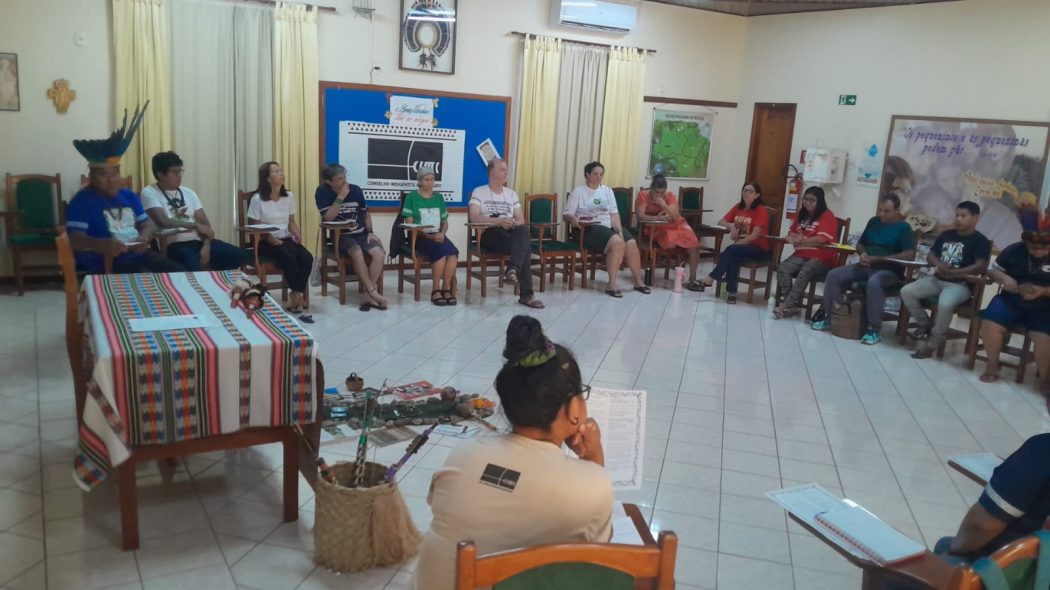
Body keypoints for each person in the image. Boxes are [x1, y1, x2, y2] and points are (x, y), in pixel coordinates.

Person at [414, 315, 612, 590]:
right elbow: (597, 556)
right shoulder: (590, 485)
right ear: (574, 410)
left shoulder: (463, 456)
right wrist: (593, 462)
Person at [67, 104, 185, 275]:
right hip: (102, 262)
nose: (111, 180)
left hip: (136, 255)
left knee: (177, 272)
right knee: (145, 279)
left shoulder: (128, 196)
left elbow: (148, 224)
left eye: (115, 173)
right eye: (103, 175)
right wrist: (105, 245)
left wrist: (144, 237)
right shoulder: (81, 200)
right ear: (92, 177)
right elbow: (75, 239)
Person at [933, 394, 1050, 565]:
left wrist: (953, 551)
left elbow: (981, 525)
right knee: (944, 543)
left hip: (1018, 569)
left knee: (938, 555)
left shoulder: (1041, 451)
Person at [812, 194, 916, 344]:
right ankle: (829, 317)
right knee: (834, 275)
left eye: (886, 211)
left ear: (897, 211)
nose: (882, 214)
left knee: (874, 282)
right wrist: (863, 253)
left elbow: (910, 254)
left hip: (889, 271)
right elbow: (861, 243)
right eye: (880, 210)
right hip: (865, 265)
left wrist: (879, 259)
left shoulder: (904, 228)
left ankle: (874, 329)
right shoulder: (874, 222)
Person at [900, 201, 991, 359]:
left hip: (960, 285)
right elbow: (931, 255)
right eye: (957, 215)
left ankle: (933, 344)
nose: (958, 219)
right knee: (907, 291)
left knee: (945, 303)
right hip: (937, 279)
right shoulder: (947, 235)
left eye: (963, 216)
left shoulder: (980, 241)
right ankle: (925, 324)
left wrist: (956, 272)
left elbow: (980, 266)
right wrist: (938, 264)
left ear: (975, 218)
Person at [140, 151, 247, 272]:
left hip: (199, 242)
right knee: (193, 263)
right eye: (175, 172)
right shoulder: (150, 192)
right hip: (174, 244)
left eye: (181, 171)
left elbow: (205, 224)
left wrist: (206, 246)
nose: (179, 175)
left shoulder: (188, 192)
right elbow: (162, 222)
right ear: (160, 174)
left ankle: (212, 278)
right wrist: (194, 225)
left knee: (240, 255)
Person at [564, 161, 649, 298]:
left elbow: (614, 214)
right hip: (588, 228)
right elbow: (566, 214)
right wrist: (573, 219)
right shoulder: (579, 191)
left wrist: (620, 232)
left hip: (607, 225)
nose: (599, 177)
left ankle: (638, 282)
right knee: (616, 243)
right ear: (587, 174)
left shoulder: (607, 191)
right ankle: (612, 285)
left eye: (601, 174)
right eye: (595, 174)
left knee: (630, 243)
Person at [977, 230, 1050, 390]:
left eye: (1043, 248)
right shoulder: (1014, 249)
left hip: (1044, 306)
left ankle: (1046, 379)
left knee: (1044, 338)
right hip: (1011, 299)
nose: (1038, 252)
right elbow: (992, 270)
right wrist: (1003, 278)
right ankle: (992, 366)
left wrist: (1043, 291)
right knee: (990, 323)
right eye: (1033, 248)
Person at [467, 159, 543, 308]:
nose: (506, 173)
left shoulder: (511, 194)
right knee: (525, 248)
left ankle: (513, 269)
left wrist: (512, 222)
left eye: (506, 169)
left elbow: (521, 219)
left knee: (523, 230)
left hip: (511, 232)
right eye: (502, 169)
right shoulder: (479, 191)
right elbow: (474, 217)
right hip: (490, 233)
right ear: (491, 172)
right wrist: (499, 222)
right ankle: (526, 295)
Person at [314, 163, 388, 310]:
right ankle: (373, 291)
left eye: (344, 177)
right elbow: (328, 218)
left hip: (361, 232)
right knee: (357, 252)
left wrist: (370, 231)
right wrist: (341, 197)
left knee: (379, 253)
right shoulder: (322, 192)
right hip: (341, 235)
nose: (344, 181)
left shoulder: (355, 190)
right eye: (340, 179)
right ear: (329, 181)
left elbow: (366, 213)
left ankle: (368, 293)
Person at [247, 161, 313, 322]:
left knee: (307, 257)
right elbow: (254, 226)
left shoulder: (288, 196)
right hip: (264, 241)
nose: (281, 174)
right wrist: (270, 238)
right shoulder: (257, 199)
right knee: (289, 258)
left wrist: (296, 232)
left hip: (285, 238)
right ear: (267, 178)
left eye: (281, 171)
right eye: (276, 172)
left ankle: (295, 294)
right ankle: (296, 297)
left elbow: (291, 221)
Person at [699, 181, 770, 304]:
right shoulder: (738, 207)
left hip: (758, 249)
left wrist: (738, 243)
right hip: (740, 249)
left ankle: (711, 277)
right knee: (733, 256)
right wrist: (731, 226)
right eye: (745, 190)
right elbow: (720, 221)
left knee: (731, 250)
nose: (746, 193)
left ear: (757, 195)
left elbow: (754, 236)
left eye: (750, 191)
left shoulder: (760, 210)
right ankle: (732, 293)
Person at [774, 186, 839, 319]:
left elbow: (821, 239)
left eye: (812, 200)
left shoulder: (827, 215)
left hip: (821, 257)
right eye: (806, 199)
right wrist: (791, 238)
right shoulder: (801, 214)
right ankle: (791, 305)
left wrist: (802, 241)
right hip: (801, 254)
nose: (808, 202)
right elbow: (792, 232)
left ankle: (785, 306)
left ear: (819, 201)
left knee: (805, 270)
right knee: (782, 268)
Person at [634, 174, 702, 291]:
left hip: (676, 225)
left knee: (694, 243)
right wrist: (657, 218)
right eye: (657, 193)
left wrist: (664, 205)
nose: (660, 195)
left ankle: (692, 279)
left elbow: (675, 216)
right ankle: (678, 259)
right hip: (655, 227)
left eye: (662, 193)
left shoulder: (669, 196)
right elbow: (640, 216)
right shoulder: (643, 195)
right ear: (651, 189)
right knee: (671, 242)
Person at [403, 167, 459, 306]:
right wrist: (428, 236)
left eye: (432, 179)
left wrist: (442, 233)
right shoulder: (412, 197)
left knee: (452, 252)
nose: (430, 182)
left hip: (437, 235)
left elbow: (445, 222)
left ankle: (446, 288)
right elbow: (409, 226)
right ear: (420, 181)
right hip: (419, 237)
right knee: (440, 252)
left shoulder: (439, 197)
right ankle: (435, 289)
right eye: (426, 180)